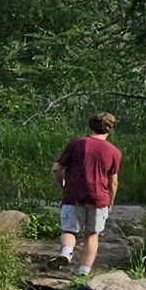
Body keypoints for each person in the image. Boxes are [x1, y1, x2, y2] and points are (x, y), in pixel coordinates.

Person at [54, 113, 123, 272]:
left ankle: (66, 252)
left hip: (74, 195)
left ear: (91, 126)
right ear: (110, 129)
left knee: (69, 230)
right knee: (92, 235)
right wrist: (111, 200)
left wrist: (63, 184)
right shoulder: (114, 152)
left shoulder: (77, 143)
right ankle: (83, 273)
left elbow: (56, 168)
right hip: (99, 198)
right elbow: (113, 182)